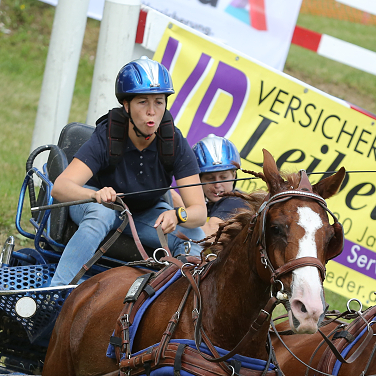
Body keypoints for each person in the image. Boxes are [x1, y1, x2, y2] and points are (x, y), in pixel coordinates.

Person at [50, 57, 206, 286]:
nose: (152, 112)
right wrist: (94, 195)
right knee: (101, 214)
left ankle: (168, 307)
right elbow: (60, 188)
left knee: (197, 238)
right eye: (143, 102)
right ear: (126, 105)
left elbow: (199, 212)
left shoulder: (174, 142)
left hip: (145, 215)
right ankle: (56, 293)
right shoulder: (108, 135)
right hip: (98, 205)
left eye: (159, 102)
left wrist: (177, 215)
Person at [192, 135, 248, 237]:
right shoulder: (207, 206)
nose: (217, 185)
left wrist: (178, 207)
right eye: (210, 178)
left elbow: (209, 236)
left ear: (233, 175)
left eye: (223, 177)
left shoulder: (237, 200)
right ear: (199, 179)